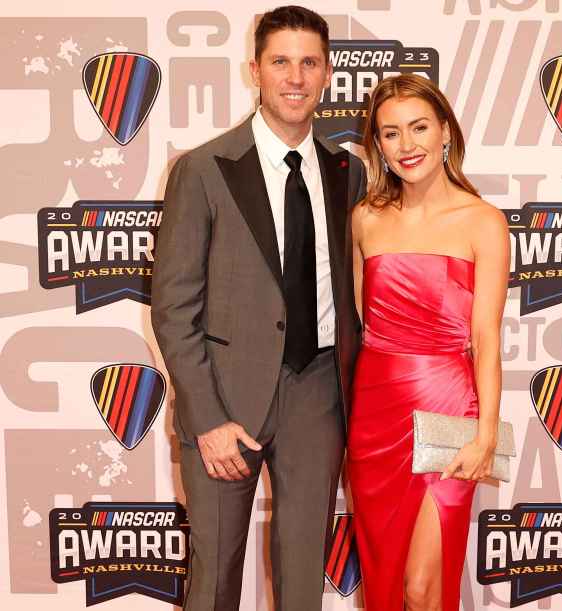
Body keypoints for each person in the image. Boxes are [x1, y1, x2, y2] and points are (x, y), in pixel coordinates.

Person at [150, 6, 366, 610]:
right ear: (255, 70)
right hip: (225, 401)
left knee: (303, 588)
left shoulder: (349, 171)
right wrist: (208, 418)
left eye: (308, 63)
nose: (294, 77)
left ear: (326, 73)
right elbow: (172, 309)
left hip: (317, 395)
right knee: (214, 583)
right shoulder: (203, 169)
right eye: (280, 62)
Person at [347, 74, 509, 611]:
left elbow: (486, 337)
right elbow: (358, 323)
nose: (407, 145)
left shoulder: (482, 222)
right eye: (391, 134)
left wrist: (486, 435)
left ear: (445, 132)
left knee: (423, 588)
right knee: (385, 581)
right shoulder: (366, 219)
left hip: (447, 410)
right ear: (378, 145)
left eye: (419, 127)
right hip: (374, 414)